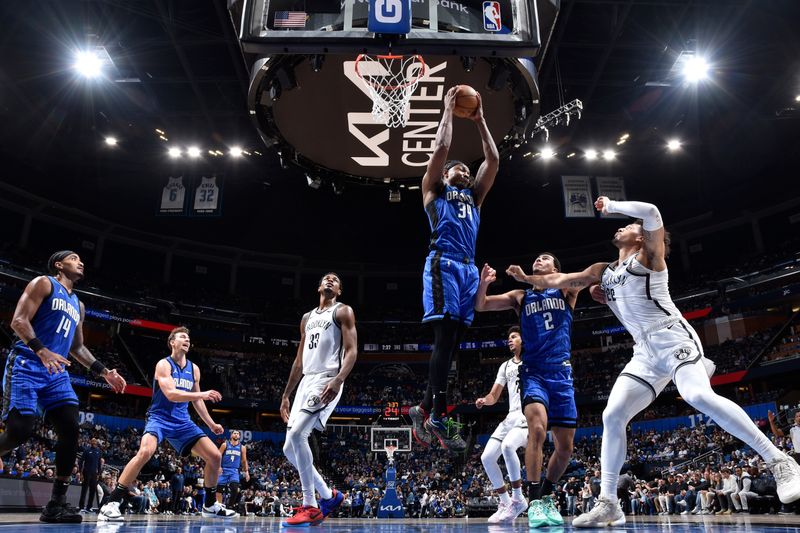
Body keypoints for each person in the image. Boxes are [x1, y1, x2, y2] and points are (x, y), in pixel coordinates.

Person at [505, 197, 800, 527]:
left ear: (642, 236)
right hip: (644, 353)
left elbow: (653, 213)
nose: (624, 225)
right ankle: (609, 503)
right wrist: (526, 279)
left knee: (698, 396)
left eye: (630, 225)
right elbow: (559, 281)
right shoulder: (603, 272)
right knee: (613, 415)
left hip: (672, 338)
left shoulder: (649, 257)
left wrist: (613, 205)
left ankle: (779, 461)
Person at [0, 250, 126, 523]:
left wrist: (103, 372)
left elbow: (77, 347)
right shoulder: (43, 283)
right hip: (27, 363)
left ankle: (56, 504)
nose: (80, 262)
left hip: (56, 373)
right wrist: (42, 351)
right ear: (59, 264)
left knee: (70, 427)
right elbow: (18, 321)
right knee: (18, 432)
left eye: (81, 260)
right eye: (74, 258)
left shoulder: (78, 304)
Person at [409, 85, 499, 451]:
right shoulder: (433, 190)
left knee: (455, 345)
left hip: (467, 270)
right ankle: (439, 415)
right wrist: (448, 110)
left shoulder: (475, 198)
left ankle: (424, 408)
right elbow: (441, 149)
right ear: (444, 176)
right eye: (457, 168)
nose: (463, 169)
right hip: (443, 263)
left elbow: (492, 162)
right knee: (444, 339)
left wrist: (480, 121)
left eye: (465, 167)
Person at [475, 253, 582, 527]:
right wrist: (483, 283)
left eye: (545, 258)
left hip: (561, 373)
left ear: (556, 269)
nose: (538, 259)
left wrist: (527, 276)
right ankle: (533, 500)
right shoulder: (521, 297)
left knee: (565, 447)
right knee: (536, 430)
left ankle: (546, 495)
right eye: (536, 258)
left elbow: (590, 277)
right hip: (533, 372)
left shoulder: (566, 289)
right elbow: (482, 305)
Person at [98, 326, 237, 520]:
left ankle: (210, 505)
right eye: (182, 337)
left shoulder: (194, 369)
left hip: (183, 422)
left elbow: (196, 401)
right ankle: (112, 502)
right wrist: (203, 393)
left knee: (215, 456)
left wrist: (211, 423)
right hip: (159, 418)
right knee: (145, 452)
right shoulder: (164, 365)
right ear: (172, 342)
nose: (186, 340)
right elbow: (171, 394)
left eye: (188, 337)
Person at [280, 273, 357, 525]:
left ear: (339, 290)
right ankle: (328, 495)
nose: (330, 280)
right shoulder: (307, 318)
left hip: (327, 379)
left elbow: (352, 351)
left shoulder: (343, 311)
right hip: (306, 381)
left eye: (335, 280)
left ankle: (310, 505)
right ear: (318, 286)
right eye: (326, 278)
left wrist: (338, 380)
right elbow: (299, 361)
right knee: (288, 449)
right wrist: (286, 395)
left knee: (297, 435)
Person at [475, 326, 529, 523]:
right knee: (487, 457)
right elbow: (494, 396)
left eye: (514, 337)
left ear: (524, 340)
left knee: (507, 446)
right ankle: (506, 502)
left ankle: (518, 498)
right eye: (508, 338)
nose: (510, 340)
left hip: (527, 415)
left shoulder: (533, 359)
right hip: (510, 417)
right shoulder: (505, 366)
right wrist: (484, 400)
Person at [216, 430, 250, 512]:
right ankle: (220, 508)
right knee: (218, 490)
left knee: (235, 489)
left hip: (234, 471)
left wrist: (246, 471)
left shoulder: (242, 447)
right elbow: (218, 456)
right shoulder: (224, 445)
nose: (236, 435)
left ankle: (229, 506)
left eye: (238, 434)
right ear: (231, 435)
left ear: (239, 436)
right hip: (224, 469)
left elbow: (244, 461)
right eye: (234, 433)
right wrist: (218, 467)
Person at [78, 437, 103, 512]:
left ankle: (89, 507)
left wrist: (99, 473)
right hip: (86, 472)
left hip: (94, 474)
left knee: (93, 490)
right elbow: (81, 461)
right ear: (90, 442)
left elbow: (99, 463)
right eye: (92, 441)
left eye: (95, 441)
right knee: (84, 490)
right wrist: (80, 472)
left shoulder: (98, 451)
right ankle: (81, 507)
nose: (94, 442)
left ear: (96, 442)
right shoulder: (87, 450)